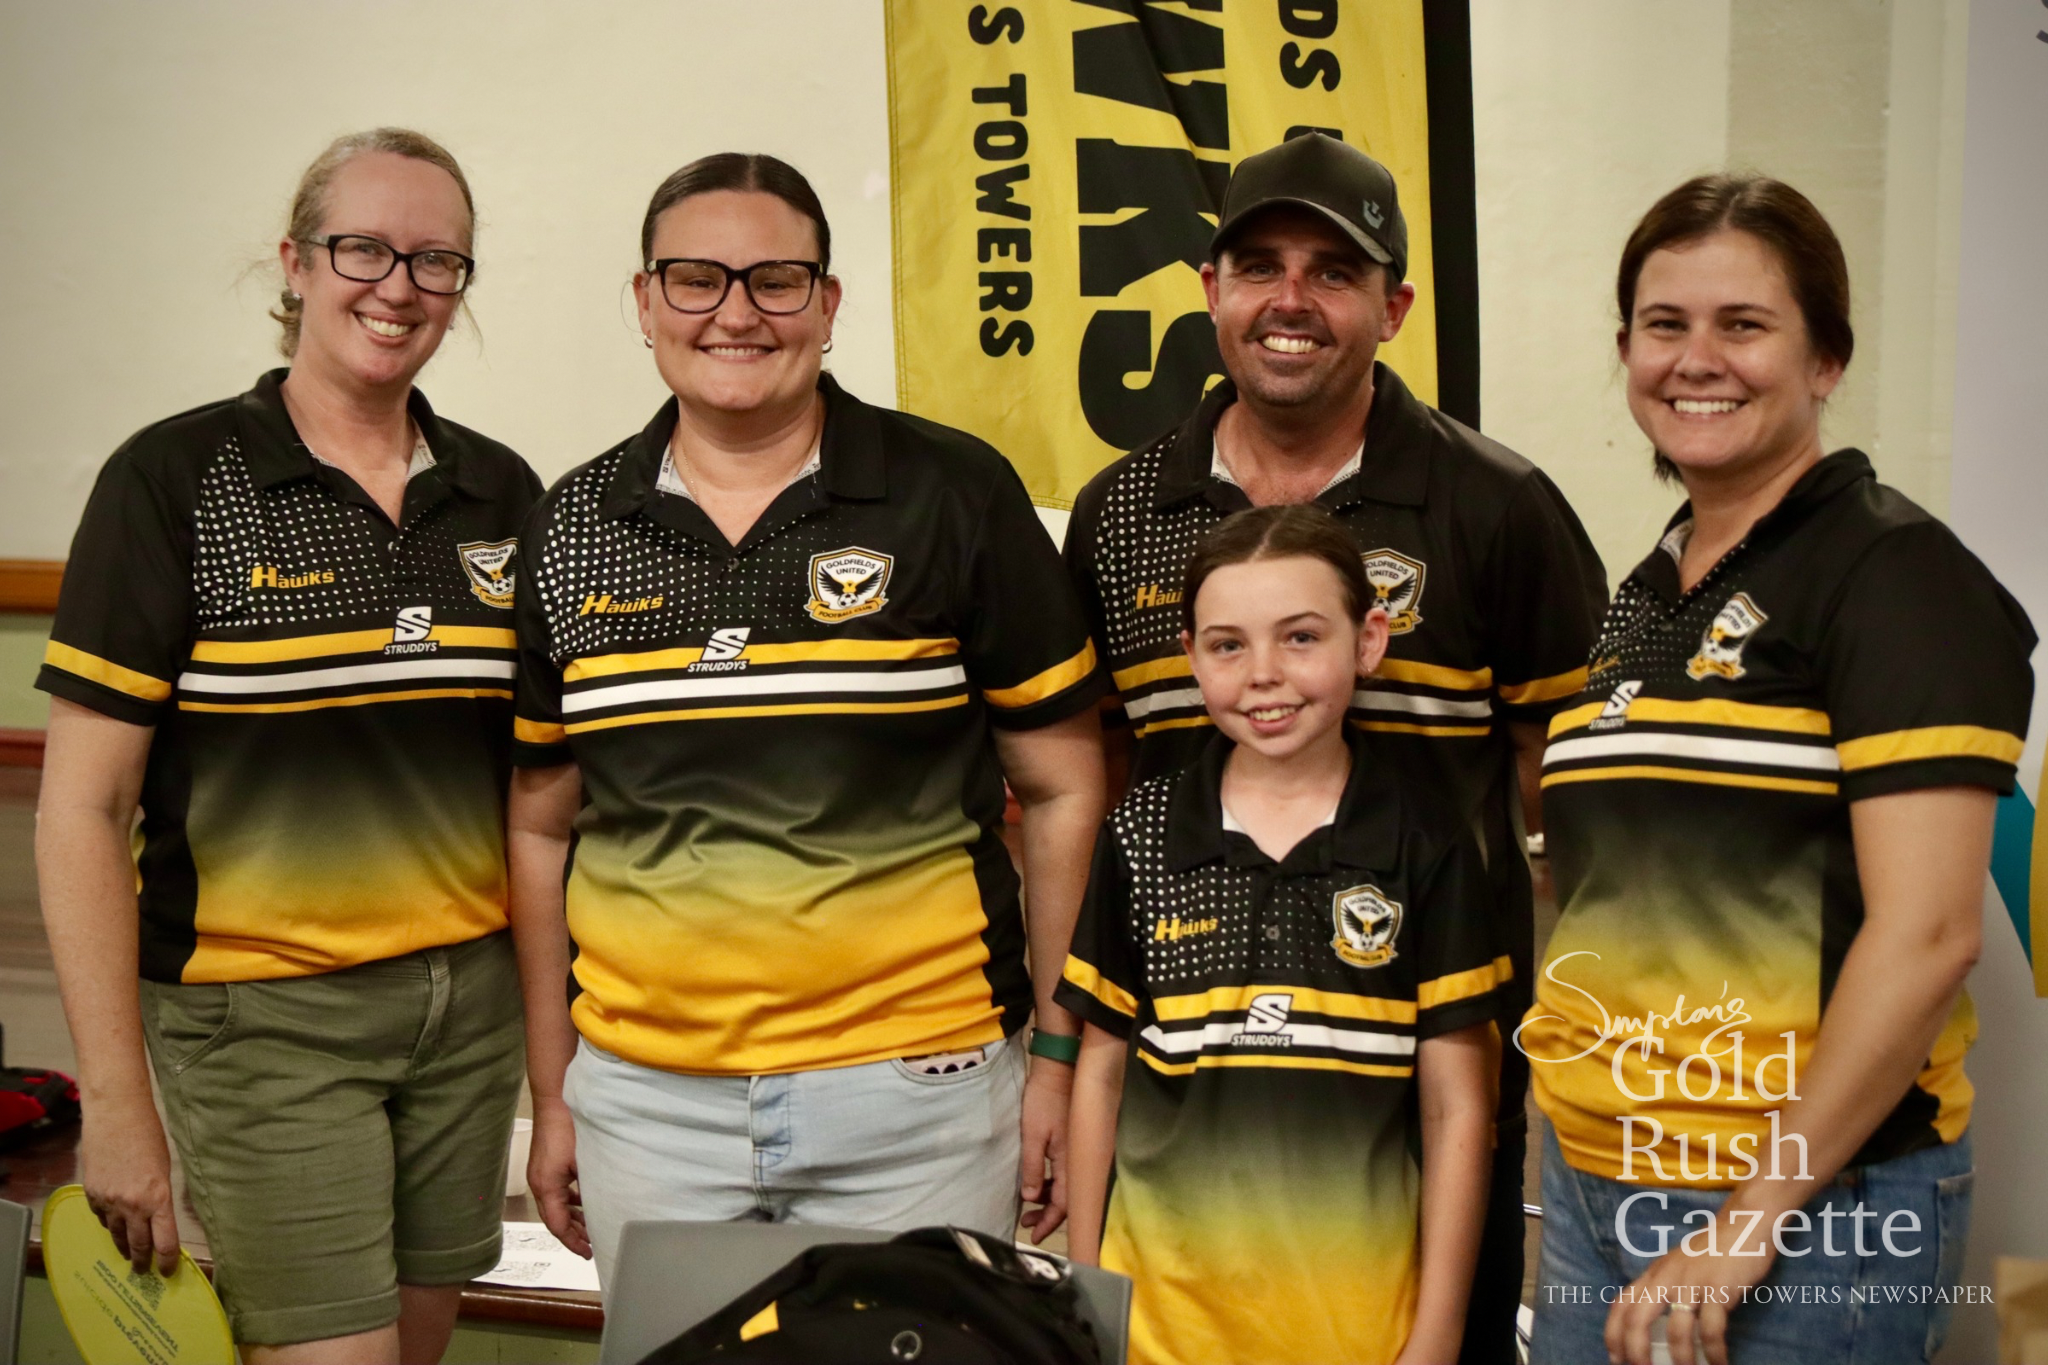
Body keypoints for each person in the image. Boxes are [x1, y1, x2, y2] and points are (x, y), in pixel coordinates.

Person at [507, 153, 1107, 1289]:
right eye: (696, 279)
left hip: (921, 1100)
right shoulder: (571, 524)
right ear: (645, 303)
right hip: (649, 1108)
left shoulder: (952, 493)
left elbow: (1067, 786)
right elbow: (540, 828)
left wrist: (1058, 1062)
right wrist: (556, 1092)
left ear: (827, 305)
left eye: (775, 280)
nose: (735, 313)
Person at [1062, 130, 1608, 1361]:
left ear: (1393, 307)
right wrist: (1063, 1058)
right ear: (1210, 290)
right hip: (1187, 1098)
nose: (1290, 300)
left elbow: (1571, 793)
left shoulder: (1497, 506)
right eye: (1259, 266)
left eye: (1333, 271)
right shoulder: (1118, 512)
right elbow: (1095, 776)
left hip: (1422, 1058)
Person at [35, 128, 539, 1362]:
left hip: (469, 1014)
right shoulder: (172, 481)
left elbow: (539, 794)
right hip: (262, 1021)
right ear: (296, 263)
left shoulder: (501, 492)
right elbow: (81, 812)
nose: (398, 286)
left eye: (435, 260)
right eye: (362, 248)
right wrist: (115, 1106)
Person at [1521, 175, 2034, 1365]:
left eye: (1742, 325)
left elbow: (1927, 935)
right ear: (1624, 350)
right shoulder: (1650, 590)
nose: (1696, 359)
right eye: (1663, 324)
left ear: (1824, 360)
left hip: (1798, 1214)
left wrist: (1749, 1218)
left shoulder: (1895, 575)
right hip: (1595, 1181)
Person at [1060, 504, 1503, 1365]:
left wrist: (1439, 1331)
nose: (1264, 674)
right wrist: (1088, 1299)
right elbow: (1102, 1073)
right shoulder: (1143, 832)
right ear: (1191, 656)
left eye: (1300, 637)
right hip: (1160, 1330)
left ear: (1368, 639)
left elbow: (1457, 1104)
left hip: (1359, 1329)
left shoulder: (1426, 838)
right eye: (1227, 645)